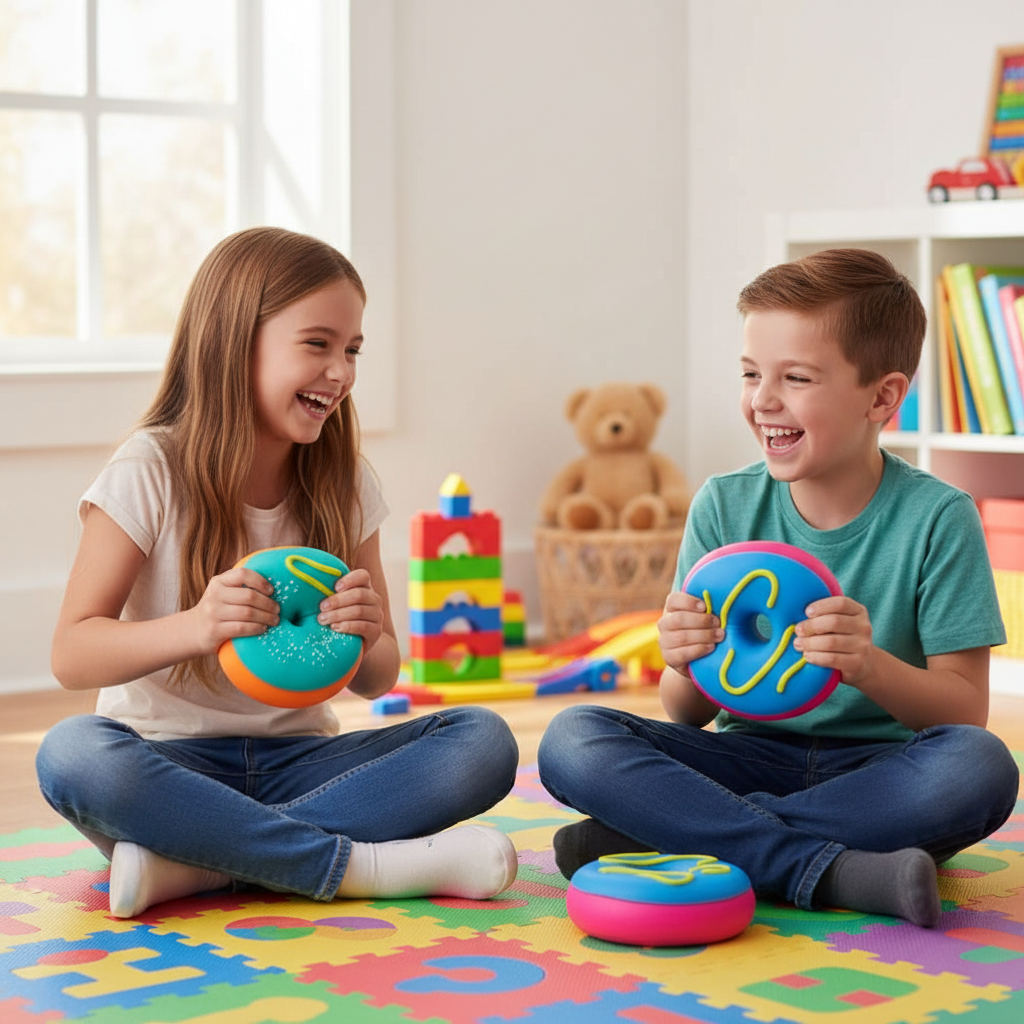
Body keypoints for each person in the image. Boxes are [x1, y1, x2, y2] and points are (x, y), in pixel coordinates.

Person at [36, 226, 519, 919]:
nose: (342, 372)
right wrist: (198, 627)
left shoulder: (344, 483)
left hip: (304, 761)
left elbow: (379, 675)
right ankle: (361, 866)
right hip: (167, 763)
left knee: (482, 744)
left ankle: (204, 863)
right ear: (235, 342)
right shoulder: (150, 469)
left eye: (352, 350)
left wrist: (366, 633)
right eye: (318, 344)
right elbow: (72, 654)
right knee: (73, 755)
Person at [538, 248, 1019, 928]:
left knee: (981, 768)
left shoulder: (939, 517)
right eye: (750, 373)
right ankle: (830, 869)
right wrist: (682, 659)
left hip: (880, 770)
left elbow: (963, 713)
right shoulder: (723, 505)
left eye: (795, 378)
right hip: (744, 754)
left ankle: (679, 836)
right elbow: (684, 713)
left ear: (881, 397)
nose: (763, 400)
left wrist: (869, 665)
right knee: (572, 738)